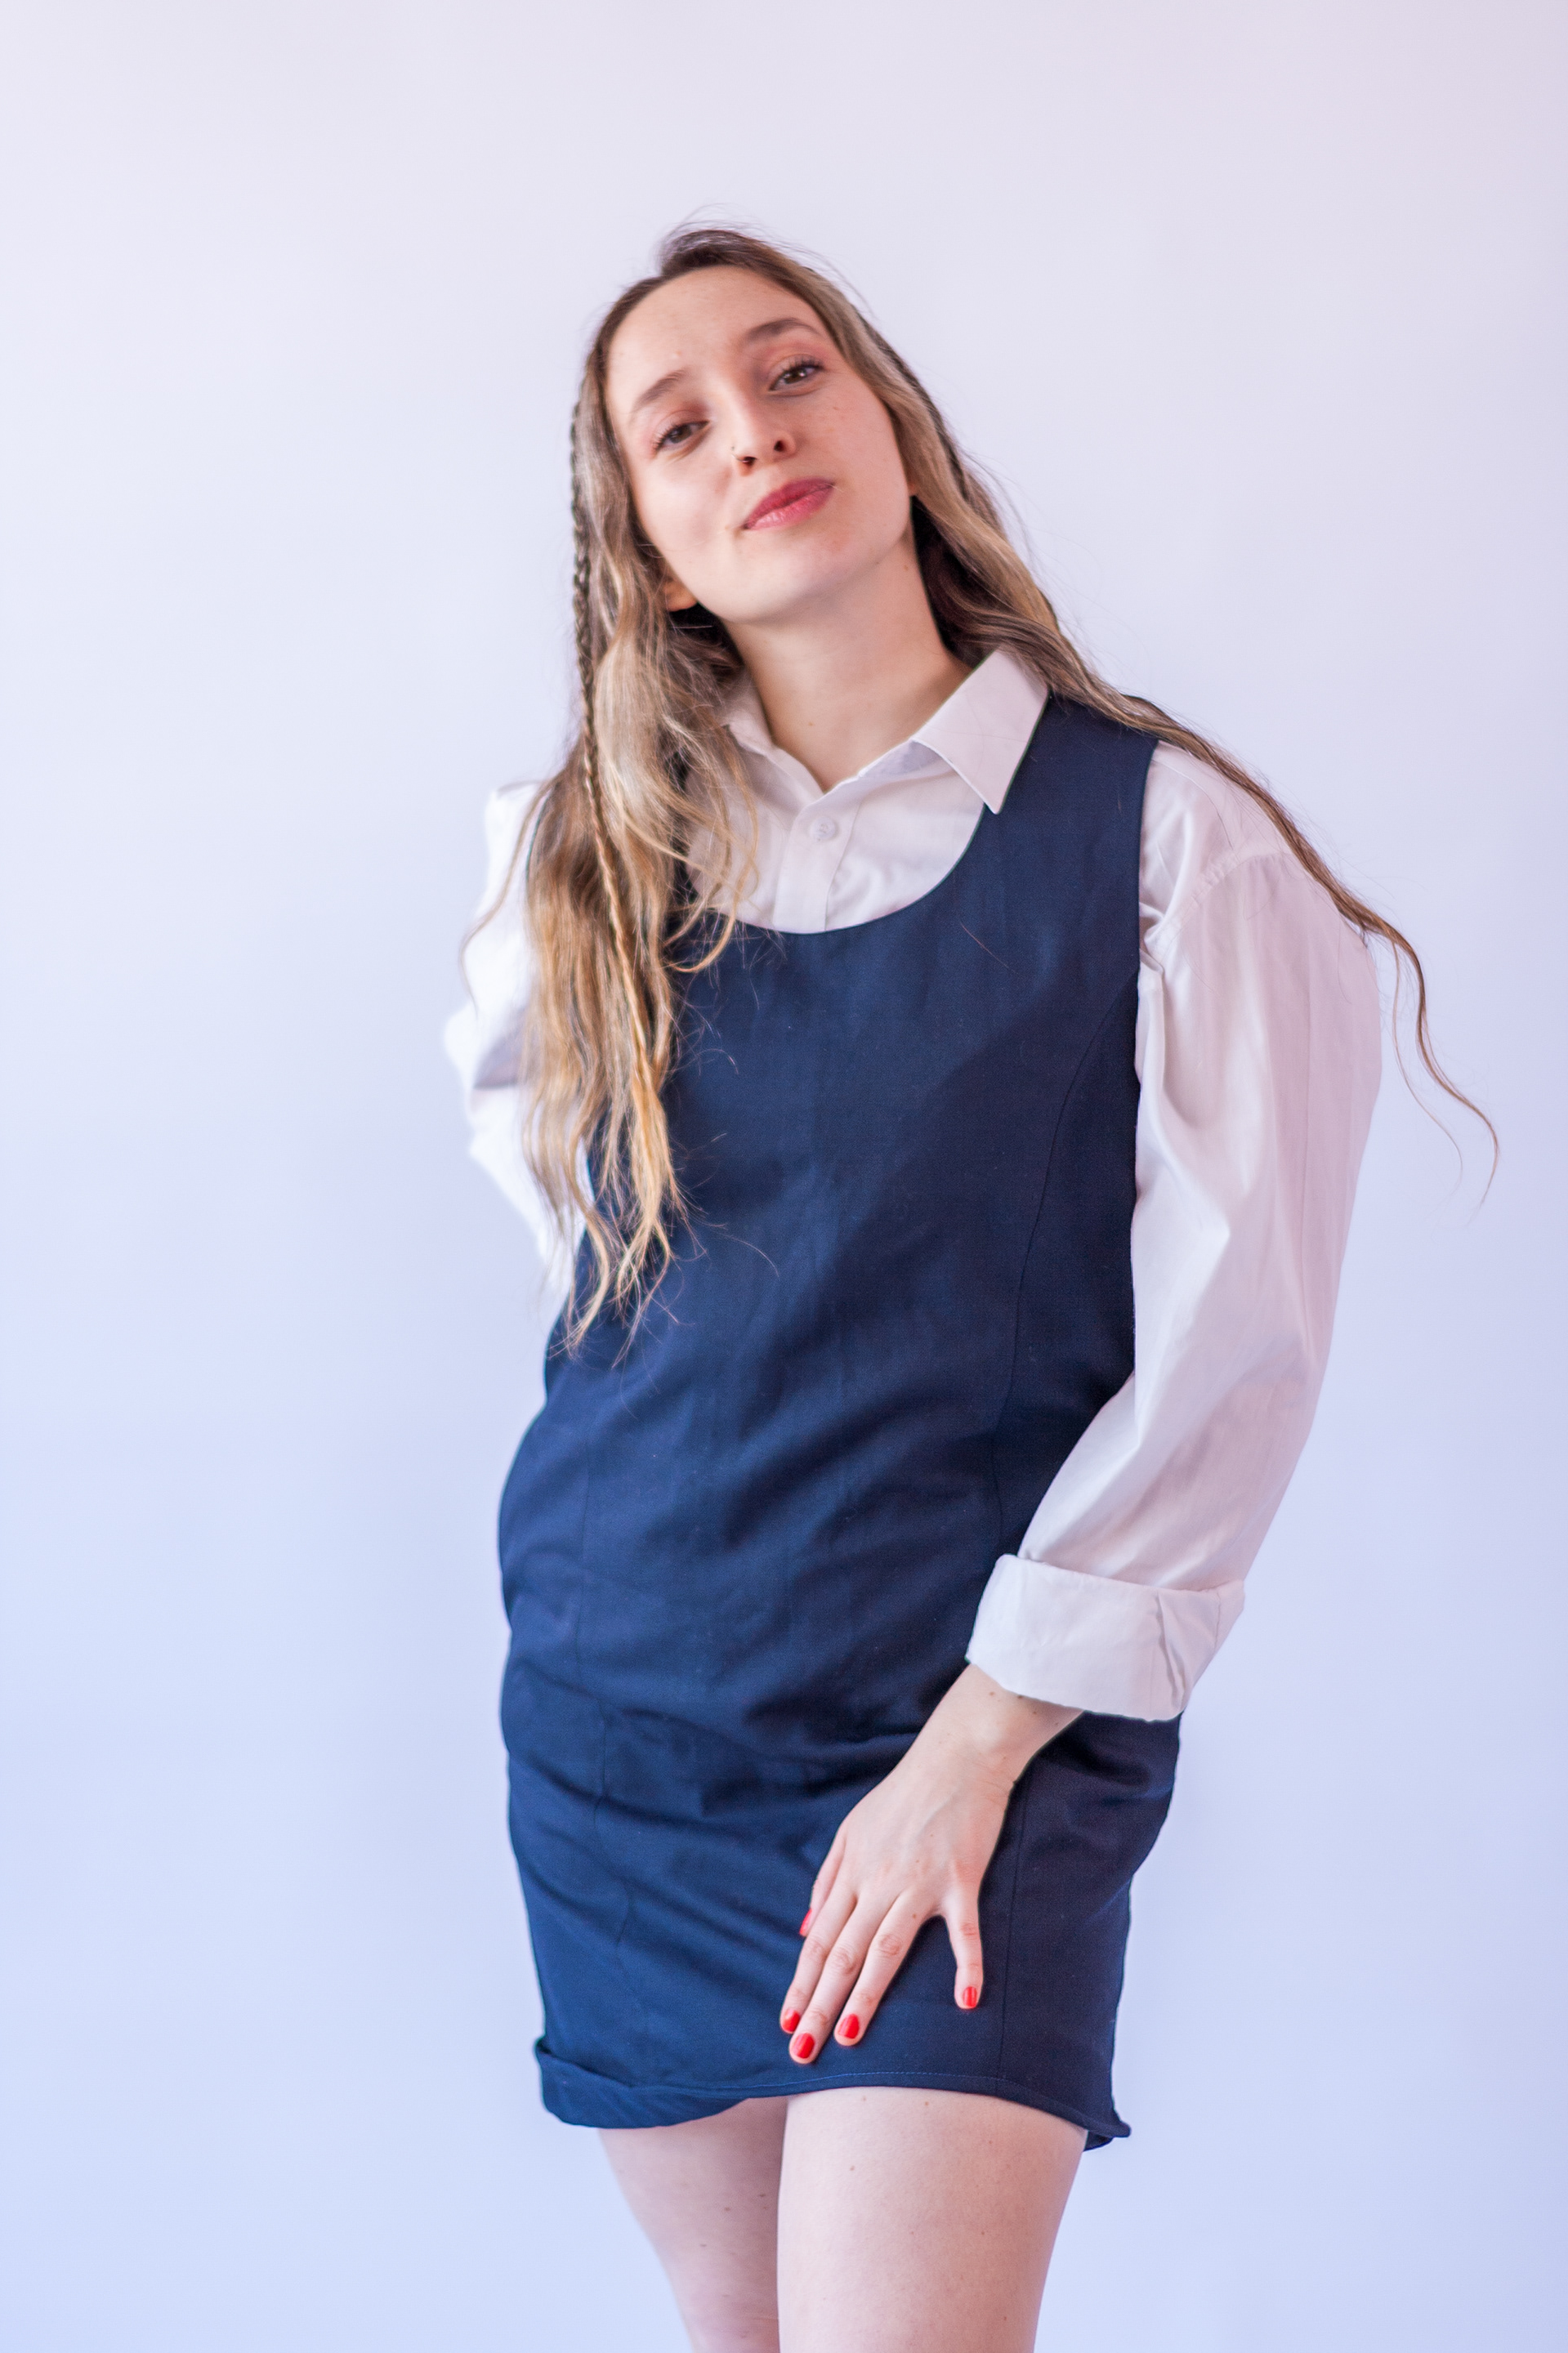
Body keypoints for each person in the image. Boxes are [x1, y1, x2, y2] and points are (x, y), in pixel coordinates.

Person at [445, 227, 1483, 2353]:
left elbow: (1238, 1358)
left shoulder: (1173, 844)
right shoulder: (578, 861)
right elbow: (611, 1278)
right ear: (648, 557)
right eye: (678, 428)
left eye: (792, 372)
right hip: (631, 1734)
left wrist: (976, 1748)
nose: (755, 435)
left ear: (892, 423)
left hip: (979, 1731)